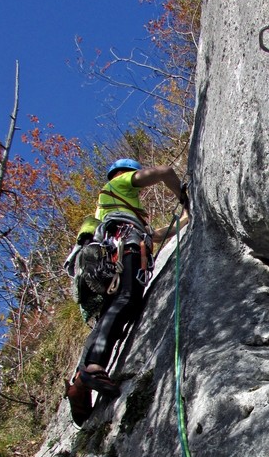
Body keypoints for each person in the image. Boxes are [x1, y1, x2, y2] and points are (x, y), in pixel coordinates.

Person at [64, 158, 189, 425]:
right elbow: (164, 172)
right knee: (126, 299)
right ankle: (95, 367)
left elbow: (155, 236)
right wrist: (183, 196)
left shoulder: (112, 208)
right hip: (127, 248)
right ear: (126, 173)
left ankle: (80, 380)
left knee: (115, 311)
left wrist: (188, 217)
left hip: (116, 254)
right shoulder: (119, 183)